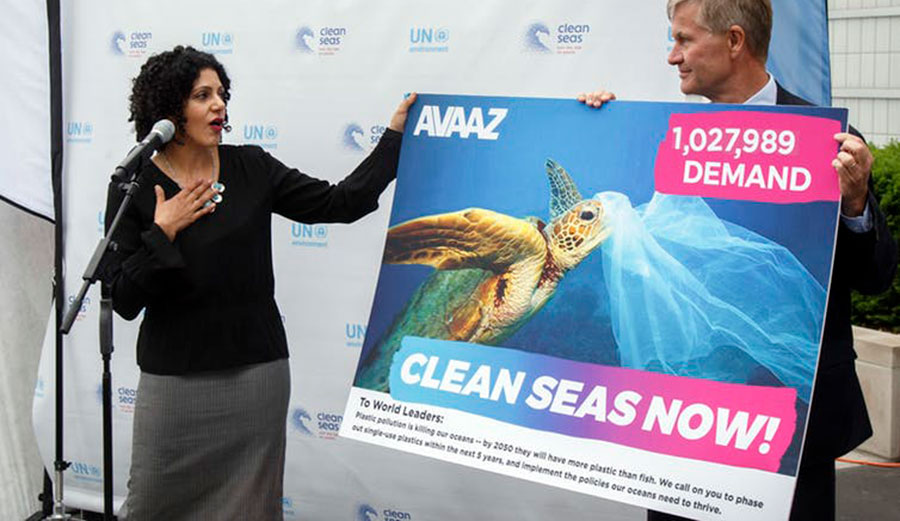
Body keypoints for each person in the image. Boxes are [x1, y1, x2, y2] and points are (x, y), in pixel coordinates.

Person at [577, 1, 897, 520]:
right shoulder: (658, 135)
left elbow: (876, 277)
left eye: (683, 40)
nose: (670, 57)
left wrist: (857, 203)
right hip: (685, 420)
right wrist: (597, 124)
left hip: (791, 422)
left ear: (733, 41)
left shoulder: (828, 141)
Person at [101, 45, 416, 520]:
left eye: (222, 94)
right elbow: (122, 298)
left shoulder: (251, 167)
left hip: (256, 374)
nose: (219, 105)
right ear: (168, 109)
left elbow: (341, 203)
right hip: (175, 380)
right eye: (202, 95)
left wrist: (393, 139)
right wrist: (162, 232)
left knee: (250, 506)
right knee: (151, 505)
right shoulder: (134, 185)